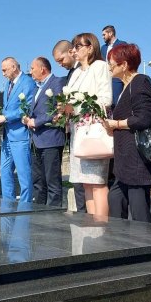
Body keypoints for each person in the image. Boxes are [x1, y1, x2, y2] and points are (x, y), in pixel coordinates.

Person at [102, 44, 151, 221]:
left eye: (112, 63)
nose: (110, 67)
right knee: (115, 198)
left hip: (137, 160)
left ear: (124, 64)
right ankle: (121, 244)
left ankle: (147, 247)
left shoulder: (140, 82)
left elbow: (144, 119)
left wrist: (116, 123)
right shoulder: (126, 86)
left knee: (139, 208)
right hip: (125, 160)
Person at [66, 33, 112, 218]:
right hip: (78, 132)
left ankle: (103, 229)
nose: (74, 50)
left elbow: (106, 99)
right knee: (85, 183)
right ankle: (91, 229)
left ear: (90, 47)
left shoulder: (100, 66)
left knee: (97, 183)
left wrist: (75, 107)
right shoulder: (76, 72)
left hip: (93, 131)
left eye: (78, 46)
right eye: (73, 47)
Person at [0, 57, 36, 204]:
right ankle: (8, 203)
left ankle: (26, 205)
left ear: (13, 67)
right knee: (5, 172)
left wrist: (5, 117)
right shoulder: (8, 85)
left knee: (24, 174)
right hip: (7, 135)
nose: (3, 73)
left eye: (4, 70)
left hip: (20, 134)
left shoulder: (27, 82)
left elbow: (27, 107)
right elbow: (7, 107)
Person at [25, 57, 66, 206]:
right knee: (38, 182)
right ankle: (39, 215)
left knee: (52, 182)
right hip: (36, 141)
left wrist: (37, 121)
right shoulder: (36, 88)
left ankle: (54, 217)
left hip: (51, 140)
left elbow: (58, 108)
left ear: (42, 69)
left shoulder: (57, 83)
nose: (30, 72)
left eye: (32, 68)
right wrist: (28, 118)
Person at [52, 40, 86, 213]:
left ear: (71, 51)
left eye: (61, 59)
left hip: (86, 131)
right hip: (74, 129)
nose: (60, 64)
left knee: (87, 180)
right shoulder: (71, 74)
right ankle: (82, 215)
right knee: (77, 179)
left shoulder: (88, 69)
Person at [100, 25, 127, 108]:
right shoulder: (103, 48)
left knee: (117, 103)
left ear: (110, 33)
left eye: (104, 35)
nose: (102, 37)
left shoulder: (122, 44)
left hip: (117, 79)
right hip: (105, 80)